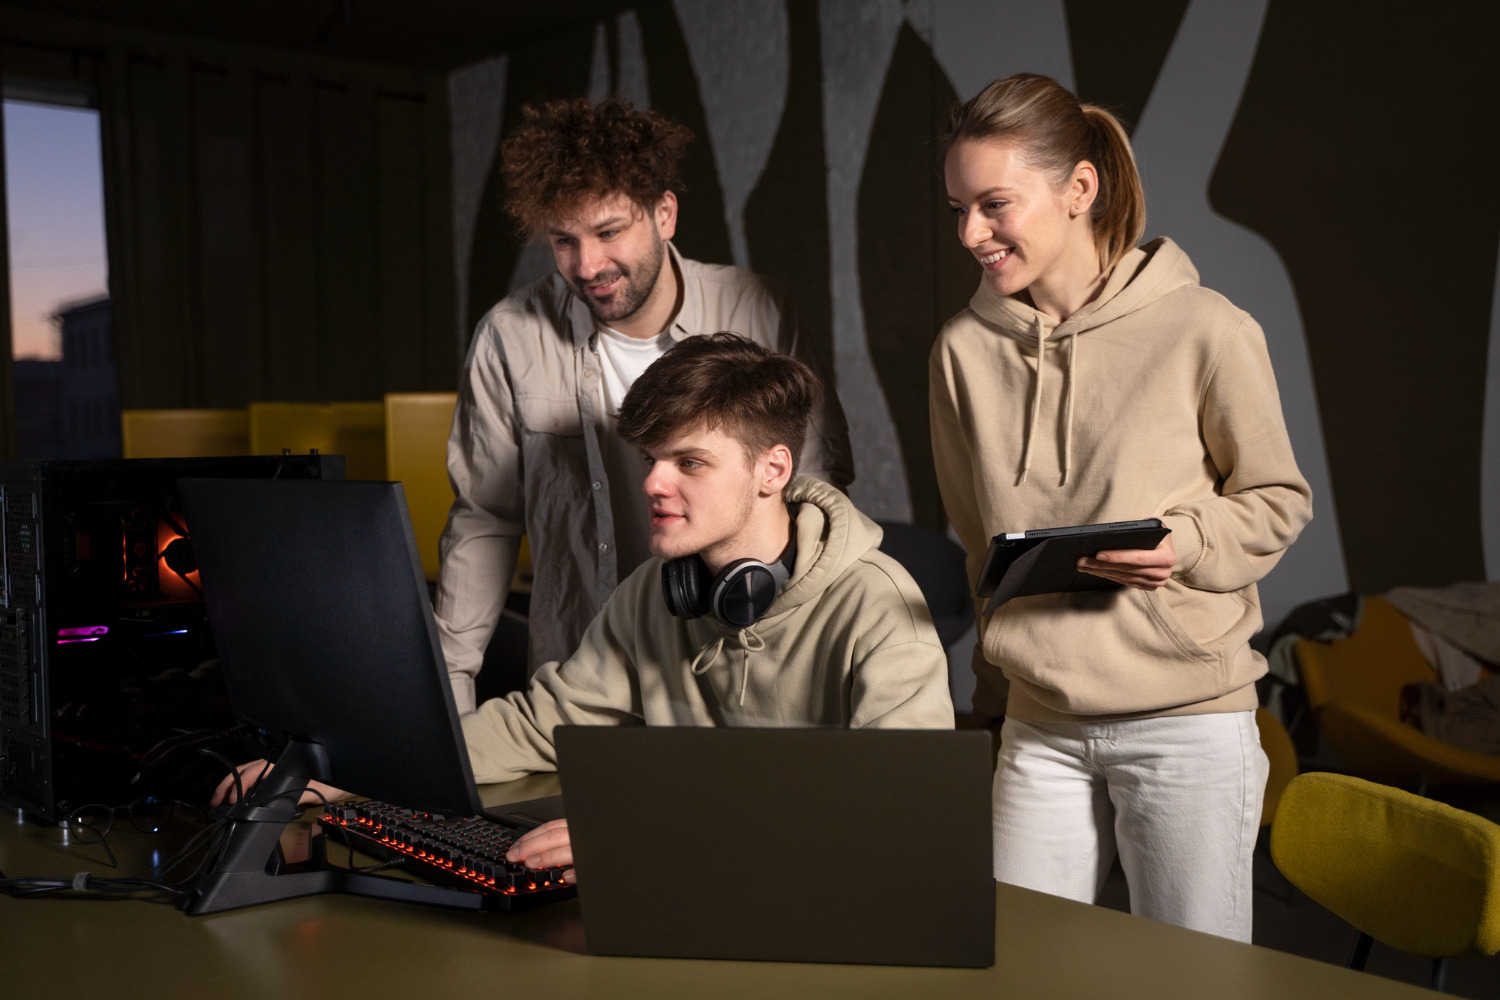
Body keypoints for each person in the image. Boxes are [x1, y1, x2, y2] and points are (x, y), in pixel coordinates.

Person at [929, 73, 1312, 942]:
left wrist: (1187, 543)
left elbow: (1278, 500)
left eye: (994, 205)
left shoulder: (1206, 328)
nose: (970, 234)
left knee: (1192, 983)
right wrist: (994, 697)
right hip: (1038, 723)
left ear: (1079, 189)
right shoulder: (961, 352)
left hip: (1186, 724)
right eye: (958, 209)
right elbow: (980, 547)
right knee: (1024, 970)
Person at [462, 333, 953, 880]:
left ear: (773, 470)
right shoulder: (651, 592)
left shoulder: (879, 608)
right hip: (689, 880)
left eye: (690, 462)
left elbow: (902, 808)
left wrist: (643, 834)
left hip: (819, 889)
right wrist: (393, 766)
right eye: (652, 459)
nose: (652, 482)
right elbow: (543, 724)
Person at [440, 97, 854, 714]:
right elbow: (484, 521)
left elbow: (817, 490)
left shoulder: (758, 309)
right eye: (564, 240)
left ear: (665, 213)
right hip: (576, 677)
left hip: (733, 676)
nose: (587, 265)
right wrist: (448, 694)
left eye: (609, 232)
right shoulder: (509, 336)